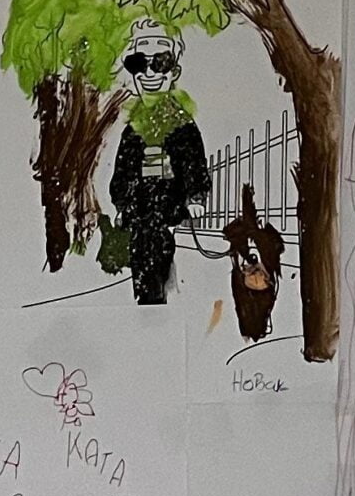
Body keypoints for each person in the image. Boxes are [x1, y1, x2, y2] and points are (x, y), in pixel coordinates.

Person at [106, 22, 209, 306]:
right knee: (141, 258)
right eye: (139, 64)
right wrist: (121, 203)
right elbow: (124, 168)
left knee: (164, 257)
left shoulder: (182, 123)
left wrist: (196, 196)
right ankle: (148, 304)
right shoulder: (133, 127)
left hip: (169, 207)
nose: (150, 73)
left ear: (174, 71)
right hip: (140, 210)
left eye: (161, 63)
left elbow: (193, 161)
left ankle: (160, 303)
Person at [223, 183, 284, 342]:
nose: (252, 274)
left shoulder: (240, 249)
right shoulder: (270, 248)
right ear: (268, 280)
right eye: (260, 282)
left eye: (251, 280)